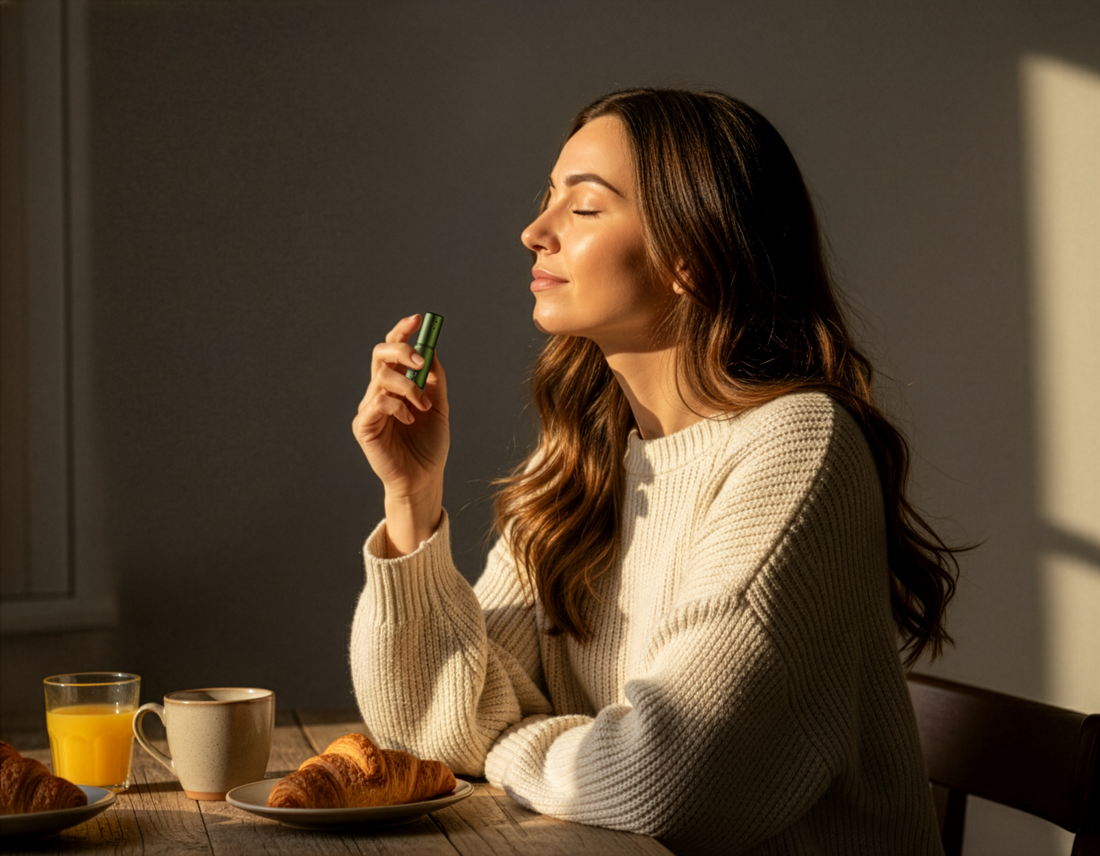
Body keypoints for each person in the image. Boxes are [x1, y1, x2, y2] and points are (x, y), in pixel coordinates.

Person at [350, 88, 958, 855]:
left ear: (691, 256)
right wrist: (411, 496)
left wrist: (510, 742)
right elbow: (435, 729)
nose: (534, 231)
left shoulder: (797, 447)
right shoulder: (588, 455)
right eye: (548, 200)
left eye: (585, 208)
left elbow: (670, 778)